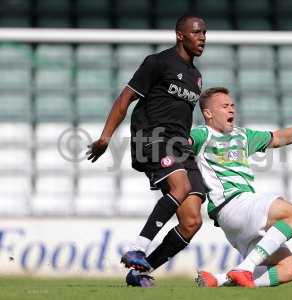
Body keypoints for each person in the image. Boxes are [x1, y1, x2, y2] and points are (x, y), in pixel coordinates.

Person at [86, 15, 207, 286]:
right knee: (181, 186)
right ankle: (138, 247)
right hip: (151, 137)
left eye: (205, 34)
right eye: (197, 33)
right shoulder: (158, 62)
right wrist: (106, 137)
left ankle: (140, 271)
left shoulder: (196, 77)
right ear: (180, 35)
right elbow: (125, 98)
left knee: (192, 221)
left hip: (180, 145)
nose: (202, 38)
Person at [190, 87, 292, 288]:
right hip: (232, 202)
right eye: (224, 106)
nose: (231, 110)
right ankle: (244, 268)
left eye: (232, 106)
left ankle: (218, 280)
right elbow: (180, 144)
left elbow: (279, 137)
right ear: (208, 113)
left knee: (289, 270)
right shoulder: (203, 133)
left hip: (238, 219)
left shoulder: (242, 136)